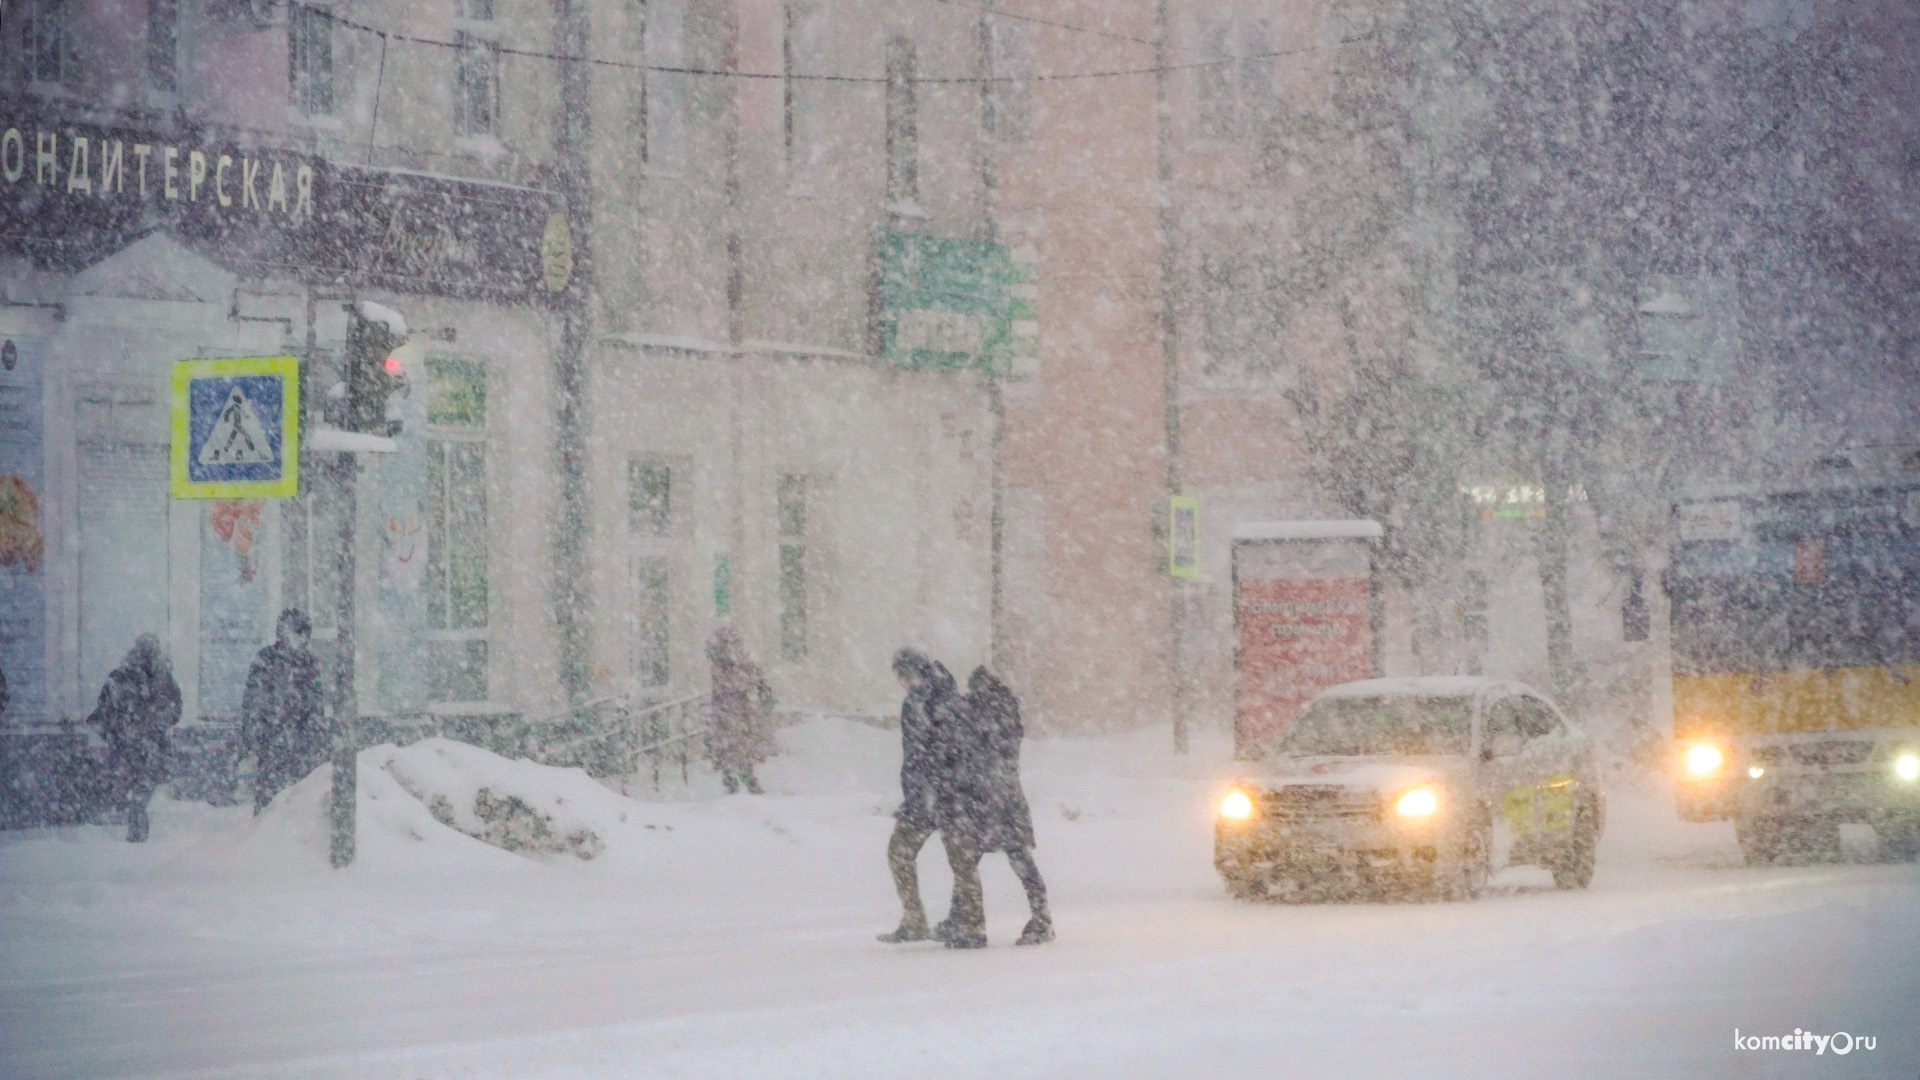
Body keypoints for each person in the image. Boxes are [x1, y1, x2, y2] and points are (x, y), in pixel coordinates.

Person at [960, 667, 1053, 945]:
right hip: (1004, 798)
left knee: (970, 860)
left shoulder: (989, 714)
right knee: (1015, 858)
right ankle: (1042, 918)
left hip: (994, 800)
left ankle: (962, 918)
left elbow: (985, 753)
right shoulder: (1005, 711)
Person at [878, 647, 964, 944]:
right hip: (942, 794)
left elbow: (929, 752)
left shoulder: (927, 701)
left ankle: (926, 920)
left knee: (902, 852)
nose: (902, 681)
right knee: (959, 861)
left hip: (933, 795)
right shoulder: (944, 695)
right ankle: (959, 919)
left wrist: (927, 790)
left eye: (904, 675)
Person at [88, 634, 182, 842]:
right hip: (151, 744)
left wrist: (115, 735)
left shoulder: (119, 677)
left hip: (128, 744)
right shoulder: (164, 679)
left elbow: (101, 714)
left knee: (132, 785)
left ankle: (134, 816)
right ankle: (136, 816)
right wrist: (157, 724)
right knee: (143, 786)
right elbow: (176, 711)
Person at [242, 609, 327, 813]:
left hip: (300, 744)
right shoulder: (266, 659)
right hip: (272, 741)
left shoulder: (310, 662)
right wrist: (255, 735)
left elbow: (316, 703)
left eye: (304, 632)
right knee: (269, 802)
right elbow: (253, 702)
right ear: (282, 632)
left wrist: (314, 736)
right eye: (296, 631)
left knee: (298, 803)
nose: (301, 637)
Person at [706, 627, 775, 795]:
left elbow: (749, 679)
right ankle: (736, 781)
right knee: (731, 747)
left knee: (740, 746)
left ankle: (741, 779)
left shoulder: (738, 664)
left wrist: (759, 685)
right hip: (728, 711)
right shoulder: (723, 666)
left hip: (736, 712)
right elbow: (735, 683)